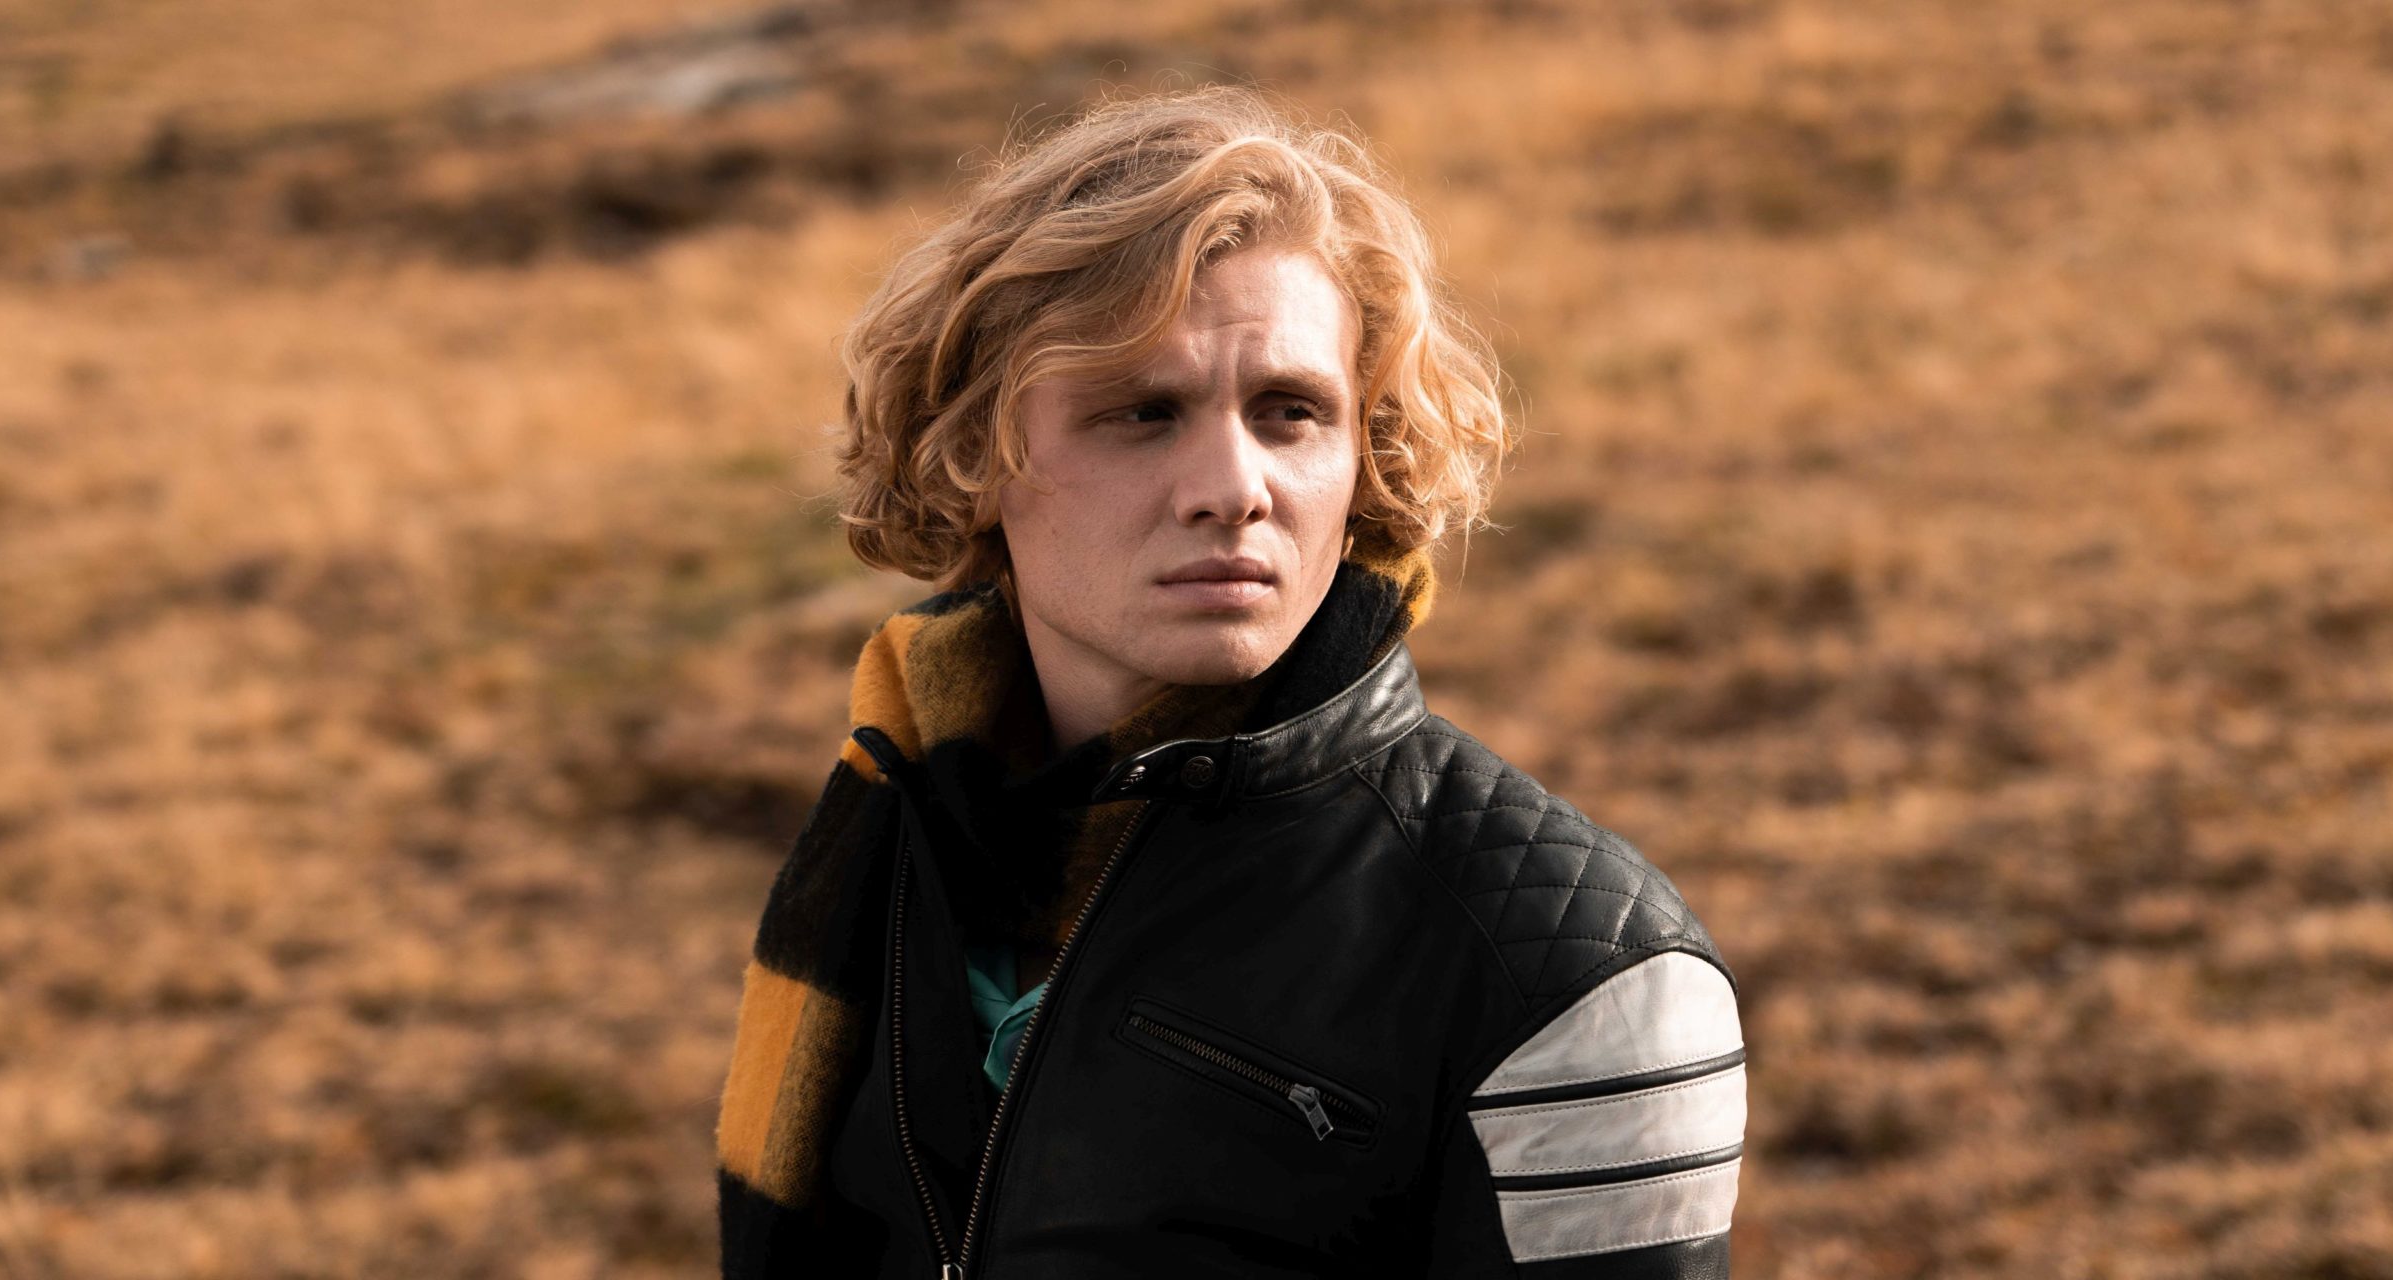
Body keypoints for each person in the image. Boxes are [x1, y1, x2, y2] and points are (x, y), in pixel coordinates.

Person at [714, 84, 1745, 1279]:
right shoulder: (895, 833)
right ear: (973, 452)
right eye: (1142, 412)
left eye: (1290, 412)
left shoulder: (1570, 969)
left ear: (1367, 454)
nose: (1232, 488)